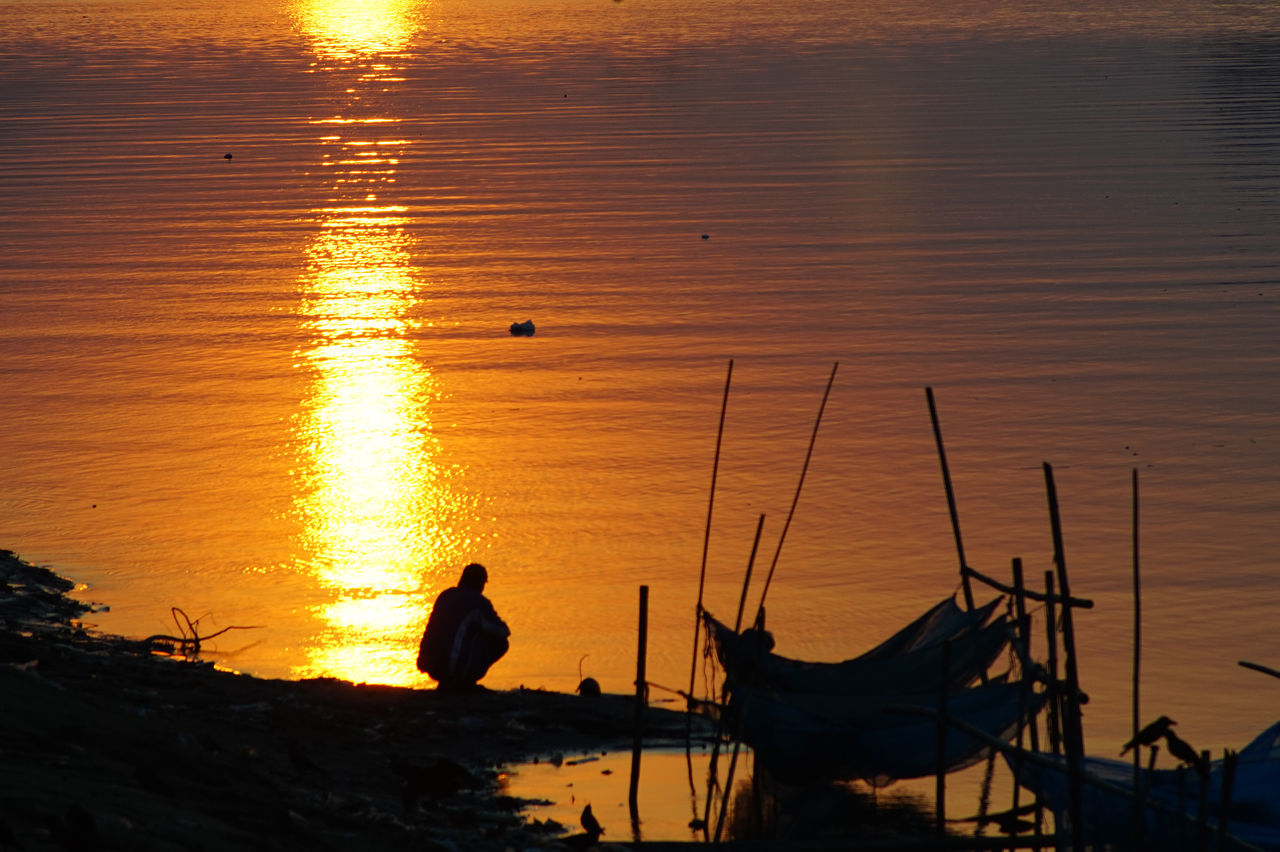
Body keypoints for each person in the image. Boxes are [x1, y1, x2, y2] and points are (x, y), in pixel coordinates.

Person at [417, 563, 510, 692]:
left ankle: (448, 680)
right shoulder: (478, 602)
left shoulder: (445, 596)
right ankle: (463, 679)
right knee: (500, 642)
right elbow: (502, 631)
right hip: (450, 667)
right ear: (481, 583)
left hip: (429, 664)